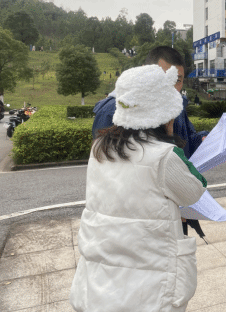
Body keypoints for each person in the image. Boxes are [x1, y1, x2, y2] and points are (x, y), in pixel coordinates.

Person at [70, 65, 207, 312]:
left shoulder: (100, 147)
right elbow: (194, 190)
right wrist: (175, 146)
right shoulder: (163, 155)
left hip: (101, 276)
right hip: (151, 283)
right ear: (163, 114)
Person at [92, 47, 209, 159]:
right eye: (163, 77)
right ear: (145, 72)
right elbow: (106, 161)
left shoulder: (176, 108)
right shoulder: (112, 110)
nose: (171, 86)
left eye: (177, 80)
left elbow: (188, 142)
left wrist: (204, 139)